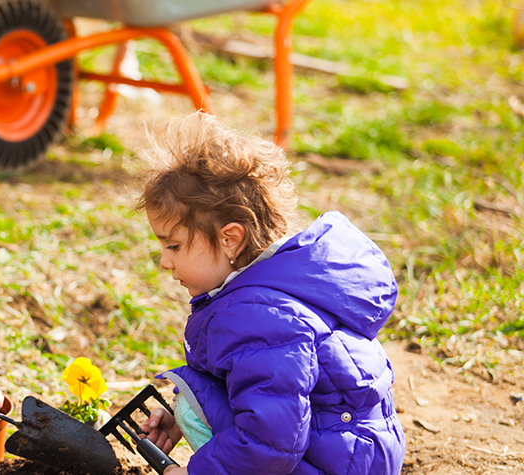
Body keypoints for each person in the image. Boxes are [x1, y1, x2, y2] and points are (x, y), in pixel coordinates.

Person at [134, 112, 404, 475]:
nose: (165, 262)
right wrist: (186, 416)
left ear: (230, 239)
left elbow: (272, 440)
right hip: (354, 453)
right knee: (187, 403)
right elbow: (258, 387)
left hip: (335, 464)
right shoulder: (284, 281)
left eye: (175, 246)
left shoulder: (256, 313)